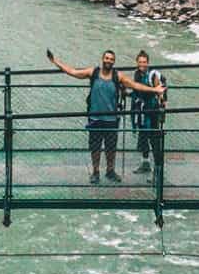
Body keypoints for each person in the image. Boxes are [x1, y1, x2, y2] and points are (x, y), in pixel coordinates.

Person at [46, 48, 164, 184]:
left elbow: (136, 86)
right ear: (103, 59)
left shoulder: (117, 76)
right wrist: (55, 62)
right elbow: (73, 72)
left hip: (112, 119)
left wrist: (154, 90)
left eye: (111, 59)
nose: (108, 61)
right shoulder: (93, 72)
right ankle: (96, 172)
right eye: (107, 58)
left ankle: (110, 171)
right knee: (95, 148)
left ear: (114, 62)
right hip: (94, 118)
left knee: (111, 148)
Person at [128, 50, 166, 176]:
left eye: (144, 62)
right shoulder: (137, 74)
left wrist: (162, 106)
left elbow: (160, 91)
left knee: (154, 140)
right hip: (141, 112)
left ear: (148, 63)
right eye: (140, 62)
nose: (142, 64)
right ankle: (145, 164)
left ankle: (158, 170)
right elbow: (137, 91)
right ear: (137, 62)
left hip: (152, 112)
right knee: (143, 138)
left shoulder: (153, 75)